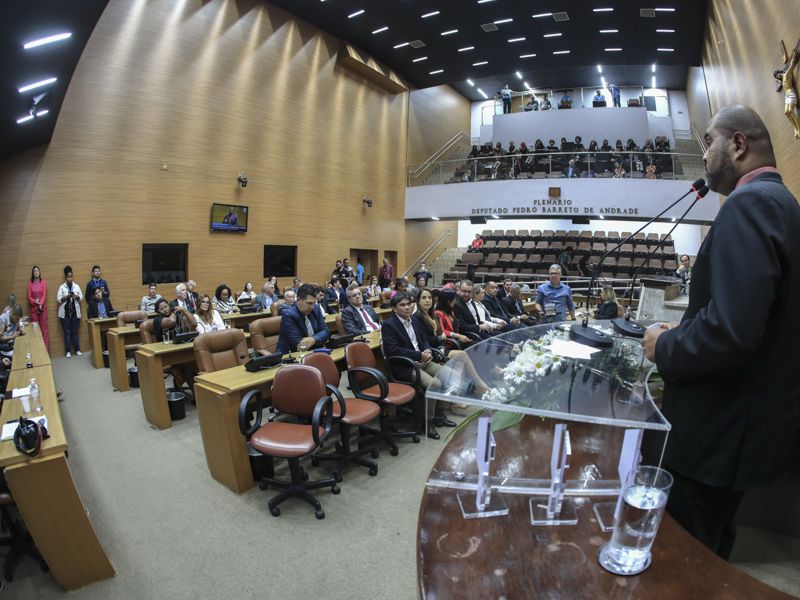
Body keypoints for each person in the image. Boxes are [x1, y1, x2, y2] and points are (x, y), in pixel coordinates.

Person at [643, 105, 800, 559]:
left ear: (738, 144)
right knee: (712, 548)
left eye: (709, 141)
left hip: (719, 430)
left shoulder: (749, 206)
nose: (705, 153)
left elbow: (733, 331)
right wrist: (689, 324)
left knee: (684, 557)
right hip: (746, 426)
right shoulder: (784, 204)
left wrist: (665, 344)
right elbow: (752, 314)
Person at [381, 292, 452, 440]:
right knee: (435, 384)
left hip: (422, 361)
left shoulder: (414, 320)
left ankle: (440, 414)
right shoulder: (389, 325)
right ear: (394, 308)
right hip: (405, 366)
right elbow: (393, 350)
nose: (407, 307)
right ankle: (428, 422)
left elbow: (423, 339)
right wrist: (419, 355)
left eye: (408, 304)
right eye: (402, 305)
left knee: (449, 374)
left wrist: (426, 350)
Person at [276, 283, 329, 354]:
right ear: (298, 300)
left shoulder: (315, 309)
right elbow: (299, 344)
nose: (312, 307)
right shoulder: (289, 315)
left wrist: (313, 339)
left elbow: (326, 331)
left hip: (313, 351)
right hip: (290, 356)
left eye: (314, 303)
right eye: (309, 303)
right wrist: (319, 338)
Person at [774, 40, 800, 139]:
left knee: (790, 110)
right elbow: (778, 85)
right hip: (787, 97)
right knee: (786, 113)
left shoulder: (786, 74)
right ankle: (795, 129)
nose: (778, 76)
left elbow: (792, 65)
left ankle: (799, 128)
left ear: (780, 72)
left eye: (777, 74)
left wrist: (794, 55)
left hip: (791, 94)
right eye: (776, 76)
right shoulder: (781, 80)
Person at [57, 266, 83, 357]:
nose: (70, 278)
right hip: (65, 314)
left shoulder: (76, 286)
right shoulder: (62, 287)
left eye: (71, 277)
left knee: (75, 332)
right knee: (67, 333)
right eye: (68, 277)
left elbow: (81, 298)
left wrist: (76, 296)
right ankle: (68, 351)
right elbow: (59, 300)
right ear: (65, 277)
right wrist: (67, 296)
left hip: (75, 313)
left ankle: (77, 350)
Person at [27, 265, 49, 351]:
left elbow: (44, 294)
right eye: (34, 271)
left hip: (42, 309)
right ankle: (37, 352)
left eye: (37, 271)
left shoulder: (43, 282)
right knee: (35, 332)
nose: (36, 272)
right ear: (33, 273)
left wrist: (41, 303)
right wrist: (35, 302)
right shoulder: (30, 283)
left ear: (39, 272)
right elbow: (29, 297)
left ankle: (46, 352)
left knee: (44, 331)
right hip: (34, 310)